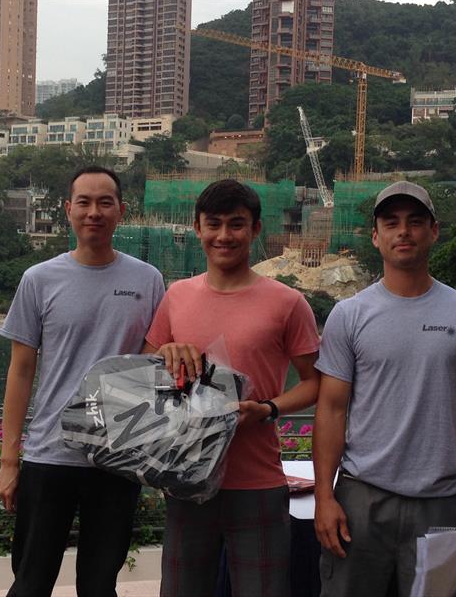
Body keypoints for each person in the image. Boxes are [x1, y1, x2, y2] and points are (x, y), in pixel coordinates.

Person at [312, 181, 456, 597]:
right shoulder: (349, 316)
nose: (404, 231)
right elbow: (330, 410)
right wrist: (324, 498)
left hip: (440, 503)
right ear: (376, 237)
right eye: (392, 222)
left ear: (433, 231)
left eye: (415, 222)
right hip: (361, 500)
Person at [144, 179, 321, 597]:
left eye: (237, 225)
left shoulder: (287, 303)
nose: (224, 236)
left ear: (256, 230)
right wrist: (166, 353)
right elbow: (143, 372)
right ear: (198, 228)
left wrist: (269, 409)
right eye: (214, 224)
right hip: (186, 479)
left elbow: (316, 383)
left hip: (257, 483)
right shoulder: (176, 296)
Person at [0, 166, 165, 597]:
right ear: (68, 210)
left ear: (121, 211)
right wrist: (10, 461)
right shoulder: (39, 279)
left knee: (99, 584)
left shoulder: (148, 280)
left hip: (116, 458)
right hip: (49, 455)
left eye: (105, 202)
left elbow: (156, 363)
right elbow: (21, 370)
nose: (94, 212)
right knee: (30, 581)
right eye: (84, 202)